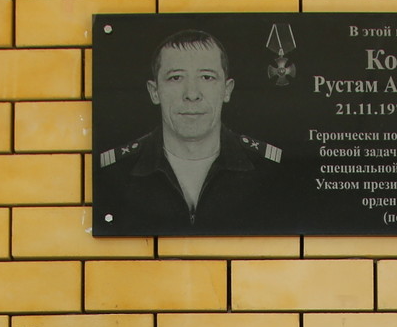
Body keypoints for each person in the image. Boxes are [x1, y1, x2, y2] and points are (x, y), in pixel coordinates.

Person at [94, 27, 284, 234]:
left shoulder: (271, 170)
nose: (192, 94)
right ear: (154, 91)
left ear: (226, 90)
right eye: (176, 78)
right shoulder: (114, 172)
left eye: (207, 77)